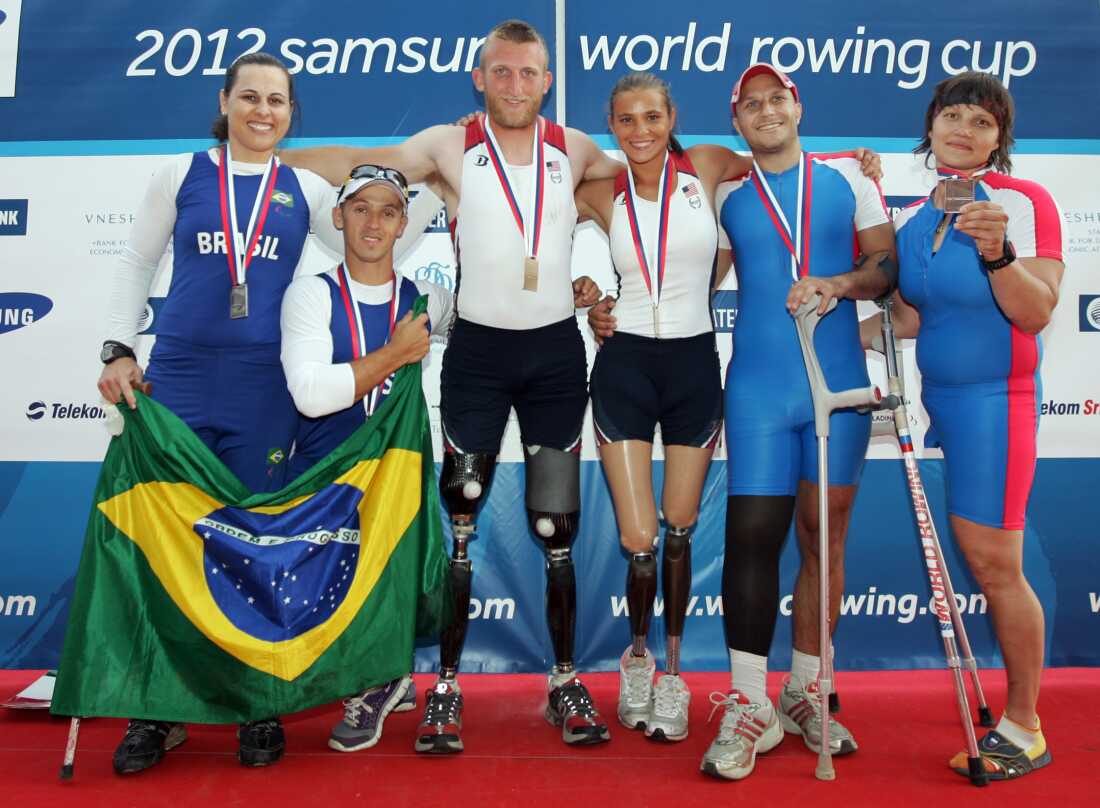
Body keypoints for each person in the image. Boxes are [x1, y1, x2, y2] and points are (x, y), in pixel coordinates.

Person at [281, 19, 619, 753]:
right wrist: (270, 157)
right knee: (459, 520)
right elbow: (360, 161)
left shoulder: (579, 149)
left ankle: (564, 680)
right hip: (477, 356)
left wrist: (604, 284)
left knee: (556, 526)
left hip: (558, 357)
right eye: (501, 71)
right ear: (480, 77)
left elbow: (643, 195)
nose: (515, 85)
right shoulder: (447, 145)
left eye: (529, 73)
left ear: (548, 81)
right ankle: (444, 689)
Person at [96, 52, 348, 774]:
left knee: (254, 541)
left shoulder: (301, 187)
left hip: (261, 387)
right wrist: (117, 349)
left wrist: (443, 186)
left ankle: (254, 702)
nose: (263, 110)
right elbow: (135, 264)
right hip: (176, 379)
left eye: (276, 100)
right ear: (225, 101)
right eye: (250, 97)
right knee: (166, 539)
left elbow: (373, 236)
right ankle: (158, 709)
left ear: (291, 113)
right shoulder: (180, 174)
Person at [862, 71, 1063, 781]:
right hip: (943, 401)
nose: (966, 130)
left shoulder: (1020, 202)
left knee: (994, 563)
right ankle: (1018, 713)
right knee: (982, 557)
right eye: (955, 115)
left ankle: (1028, 725)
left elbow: (1036, 310)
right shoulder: (919, 215)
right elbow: (917, 315)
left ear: (999, 139)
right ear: (932, 124)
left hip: (996, 402)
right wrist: (840, 317)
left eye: (983, 121)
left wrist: (998, 253)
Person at [705, 63, 896, 781]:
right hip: (757, 388)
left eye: (775, 99)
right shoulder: (725, 192)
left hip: (837, 385)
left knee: (824, 537)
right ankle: (749, 705)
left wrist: (839, 283)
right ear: (737, 122)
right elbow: (701, 278)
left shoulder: (852, 180)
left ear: (797, 105)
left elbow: (885, 266)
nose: (765, 111)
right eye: (749, 105)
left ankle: (807, 690)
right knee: (750, 539)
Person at [575, 72, 750, 742]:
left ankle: (675, 678)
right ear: (611, 126)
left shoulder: (704, 164)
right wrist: (581, 291)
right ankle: (638, 661)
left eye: (652, 116)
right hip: (623, 367)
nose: (641, 131)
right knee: (637, 539)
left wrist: (862, 165)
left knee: (680, 529)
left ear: (672, 115)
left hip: (692, 366)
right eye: (626, 120)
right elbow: (526, 224)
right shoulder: (597, 188)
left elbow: (778, 160)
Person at [280, 165, 453, 753]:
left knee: (394, 567)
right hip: (328, 469)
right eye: (360, 209)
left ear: (405, 224)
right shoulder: (311, 293)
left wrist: (586, 295)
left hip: (397, 471)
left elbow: (505, 308)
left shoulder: (430, 300)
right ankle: (377, 673)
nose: (373, 222)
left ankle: (381, 678)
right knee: (324, 588)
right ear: (338, 217)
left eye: (387, 211)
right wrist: (394, 353)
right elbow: (310, 392)